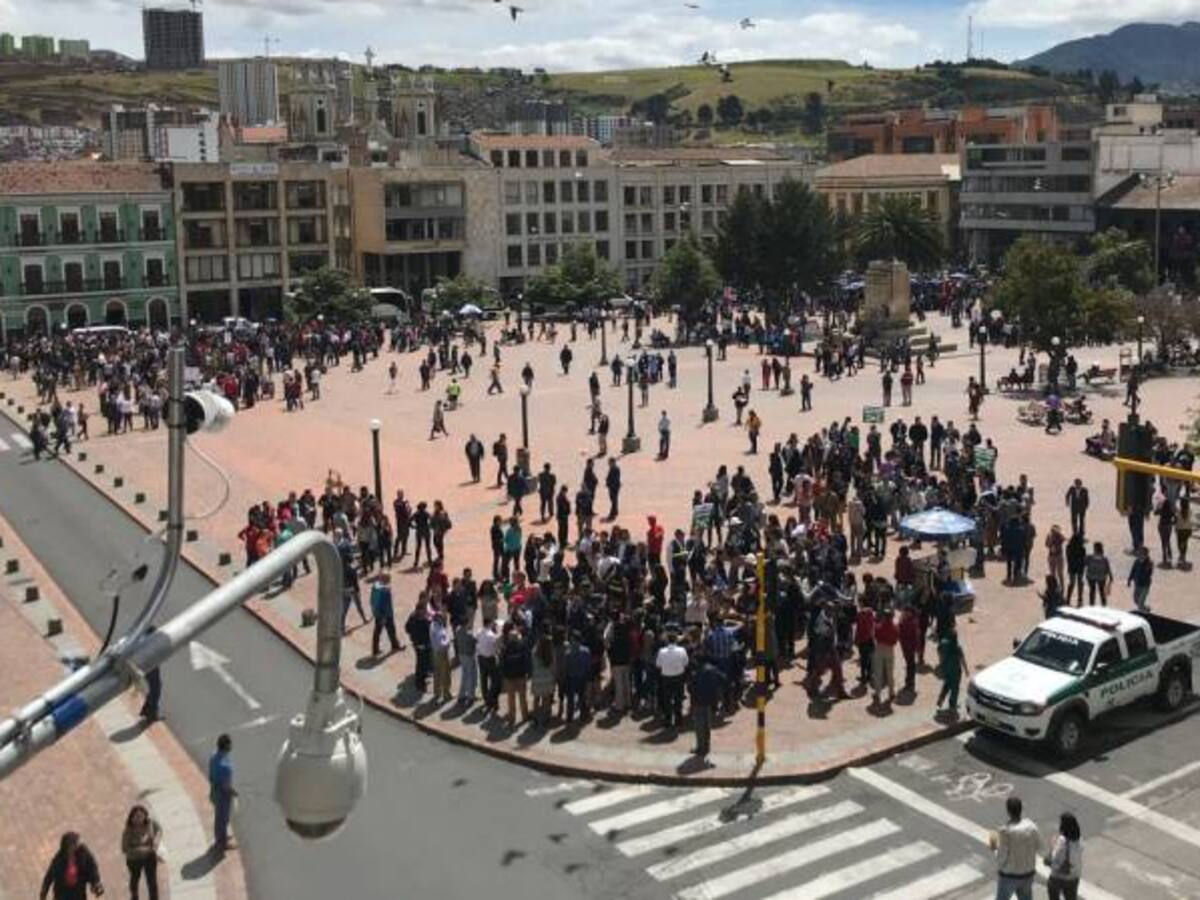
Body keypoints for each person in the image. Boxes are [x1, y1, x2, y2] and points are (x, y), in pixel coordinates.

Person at [990, 796, 1042, 900]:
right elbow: (1040, 846)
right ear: (1021, 809)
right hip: (1028, 874)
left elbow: (1001, 858)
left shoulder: (1005, 831)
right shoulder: (1032, 827)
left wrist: (994, 848)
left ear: (1008, 811)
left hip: (1010, 876)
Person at [40, 832, 104, 900]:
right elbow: (49, 875)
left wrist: (96, 884)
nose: (72, 848)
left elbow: (92, 870)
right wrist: (44, 892)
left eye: (75, 845)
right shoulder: (59, 859)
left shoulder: (83, 855)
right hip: (62, 894)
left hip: (78, 893)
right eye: (70, 846)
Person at [689, 654, 727, 760]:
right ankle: (706, 746)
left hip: (698, 702)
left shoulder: (696, 672)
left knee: (699, 726)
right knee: (707, 725)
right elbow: (724, 679)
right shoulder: (713, 670)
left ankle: (700, 748)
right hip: (711, 701)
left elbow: (690, 687)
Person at [121, 805, 162, 900]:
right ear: (132, 818)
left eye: (141, 816)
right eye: (136, 816)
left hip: (149, 857)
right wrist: (143, 849)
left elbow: (159, 829)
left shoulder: (150, 823)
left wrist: (157, 840)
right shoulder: (128, 831)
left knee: (152, 881)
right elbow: (124, 849)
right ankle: (134, 896)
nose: (139, 819)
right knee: (135, 879)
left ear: (145, 816)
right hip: (134, 859)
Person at [208, 734, 236, 852]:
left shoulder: (213, 757)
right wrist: (233, 792)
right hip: (223, 795)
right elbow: (226, 786)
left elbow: (211, 776)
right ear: (226, 746)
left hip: (214, 791)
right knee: (223, 819)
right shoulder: (225, 767)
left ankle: (220, 837)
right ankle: (222, 842)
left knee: (219, 817)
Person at [1045, 812, 1082, 900]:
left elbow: (1054, 859)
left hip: (1058, 877)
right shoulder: (1080, 840)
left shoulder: (1062, 841)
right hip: (1074, 876)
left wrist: (1053, 845)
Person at [935, 624, 968, 717]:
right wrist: (966, 670)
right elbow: (962, 659)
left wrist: (941, 664)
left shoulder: (942, 644)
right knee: (955, 688)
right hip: (955, 670)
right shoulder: (957, 647)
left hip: (946, 669)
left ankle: (940, 700)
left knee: (946, 684)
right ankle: (952, 706)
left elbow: (939, 653)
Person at [369, 574, 402, 656]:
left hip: (378, 613)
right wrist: (384, 616)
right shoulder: (384, 591)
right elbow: (384, 604)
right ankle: (395, 645)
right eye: (388, 579)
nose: (389, 581)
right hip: (385, 614)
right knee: (389, 629)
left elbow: (372, 601)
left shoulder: (375, 587)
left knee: (378, 631)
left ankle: (375, 649)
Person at [1085, 541, 1113, 607]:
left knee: (1092, 591)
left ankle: (1091, 604)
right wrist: (1111, 577)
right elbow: (1108, 568)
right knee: (1101, 591)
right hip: (1101, 577)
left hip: (1091, 576)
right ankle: (1104, 605)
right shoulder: (1104, 559)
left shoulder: (1090, 557)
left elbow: (1085, 564)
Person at [1127, 545, 1153, 610]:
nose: (1140, 556)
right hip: (1137, 584)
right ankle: (1146, 608)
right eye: (1140, 554)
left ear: (1146, 555)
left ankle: (1141, 613)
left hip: (1145, 585)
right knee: (1136, 600)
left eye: (1142, 554)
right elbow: (1133, 570)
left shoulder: (1149, 563)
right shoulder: (1136, 562)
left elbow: (1148, 573)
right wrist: (1129, 580)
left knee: (1140, 603)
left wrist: (1144, 565)